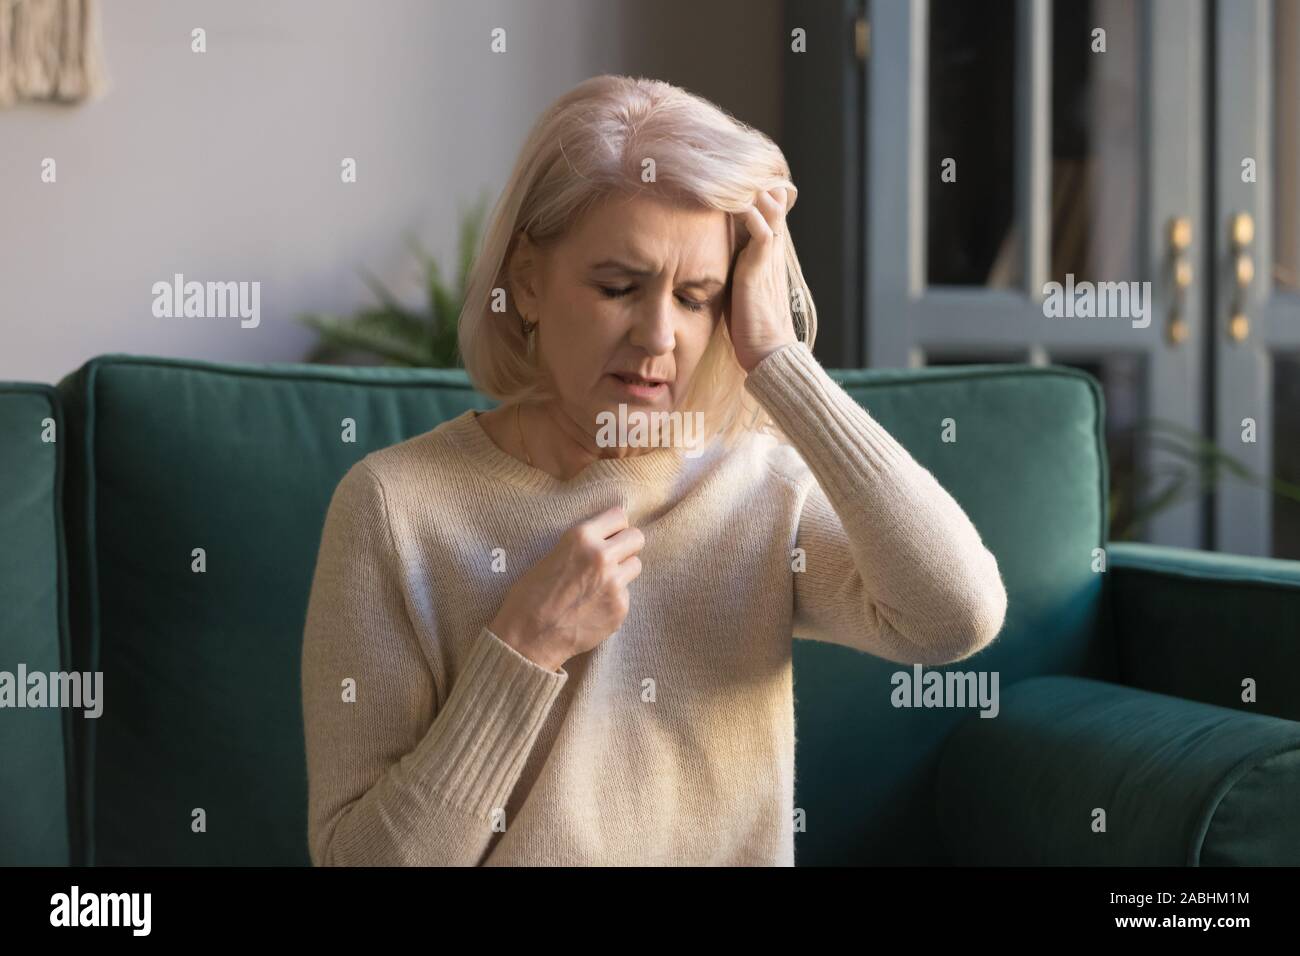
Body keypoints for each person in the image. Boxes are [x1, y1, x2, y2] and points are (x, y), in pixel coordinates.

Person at [301, 74, 1008, 866]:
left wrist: (779, 357)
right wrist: (522, 650)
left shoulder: (757, 488)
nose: (658, 336)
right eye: (618, 287)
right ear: (527, 282)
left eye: (698, 297)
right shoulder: (394, 509)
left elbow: (956, 615)